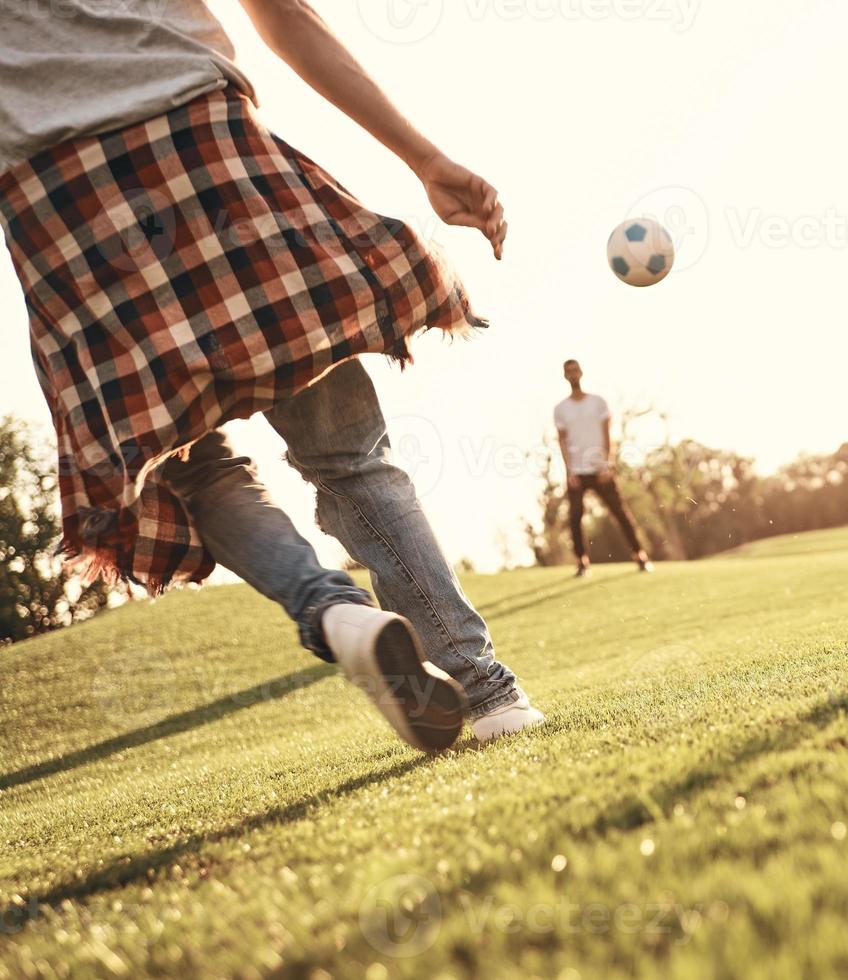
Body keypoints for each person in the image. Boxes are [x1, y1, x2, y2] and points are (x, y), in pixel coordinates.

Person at [0, 0, 544, 750]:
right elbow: (283, 14)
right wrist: (424, 158)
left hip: (57, 197)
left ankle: (334, 615)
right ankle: (489, 696)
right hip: (200, 141)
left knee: (189, 465)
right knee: (347, 453)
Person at [555, 360, 652, 576]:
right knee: (575, 516)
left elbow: (608, 434)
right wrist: (569, 472)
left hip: (601, 470)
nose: (572, 374)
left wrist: (607, 464)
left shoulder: (598, 402)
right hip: (577, 473)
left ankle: (640, 556)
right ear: (565, 376)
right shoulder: (560, 409)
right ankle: (582, 562)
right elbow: (561, 441)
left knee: (621, 513)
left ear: (581, 373)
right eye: (568, 372)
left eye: (575, 370)